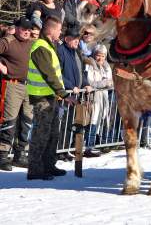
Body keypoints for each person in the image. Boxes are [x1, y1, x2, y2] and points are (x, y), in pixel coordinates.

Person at [26, 15, 76, 180]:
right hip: (42, 98)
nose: (60, 32)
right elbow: (49, 74)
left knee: (52, 133)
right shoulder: (40, 47)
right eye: (59, 29)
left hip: (51, 97)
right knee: (41, 134)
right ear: (52, 29)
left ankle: (48, 164)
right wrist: (64, 94)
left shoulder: (49, 46)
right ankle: (35, 169)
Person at [0, 17, 34, 171]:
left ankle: (20, 154)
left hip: (29, 86)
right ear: (17, 28)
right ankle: (2, 155)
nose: (26, 31)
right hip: (12, 84)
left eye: (29, 29)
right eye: (24, 28)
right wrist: (1, 66)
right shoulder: (8, 41)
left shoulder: (32, 43)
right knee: (9, 120)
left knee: (27, 120)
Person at [57, 27, 92, 155]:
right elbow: (58, 73)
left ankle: (66, 150)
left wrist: (86, 84)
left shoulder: (77, 52)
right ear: (67, 39)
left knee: (71, 123)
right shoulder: (60, 51)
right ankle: (60, 150)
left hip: (76, 95)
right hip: (65, 95)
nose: (77, 41)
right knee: (63, 124)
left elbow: (81, 72)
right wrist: (71, 86)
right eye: (74, 39)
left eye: (78, 39)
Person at [84, 44, 113, 157]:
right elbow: (90, 82)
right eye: (98, 55)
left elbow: (110, 82)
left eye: (103, 56)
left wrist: (105, 84)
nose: (100, 58)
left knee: (100, 120)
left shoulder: (106, 67)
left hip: (103, 97)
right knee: (92, 120)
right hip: (93, 98)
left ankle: (95, 144)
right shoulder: (90, 65)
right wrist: (104, 83)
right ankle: (88, 146)